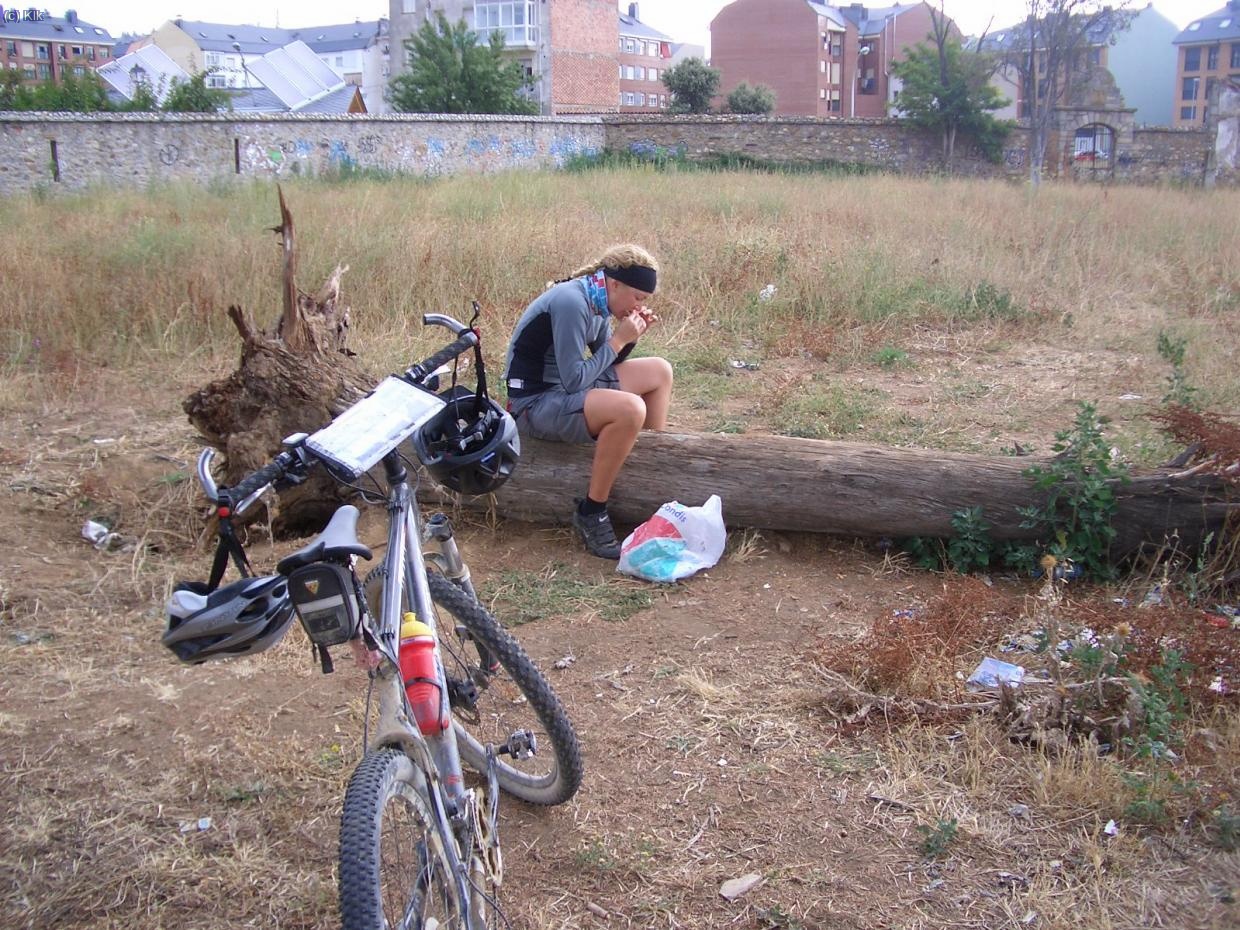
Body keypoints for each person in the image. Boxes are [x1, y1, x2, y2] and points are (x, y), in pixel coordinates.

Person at [502, 244, 673, 559]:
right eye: (638, 297)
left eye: (644, 301)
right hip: (533, 404)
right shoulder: (572, 302)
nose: (638, 306)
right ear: (615, 284)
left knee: (660, 371)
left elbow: (603, 361)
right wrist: (619, 338)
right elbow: (574, 379)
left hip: (563, 390)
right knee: (630, 409)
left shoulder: (598, 302)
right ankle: (592, 511)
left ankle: (650, 464)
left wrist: (629, 337)